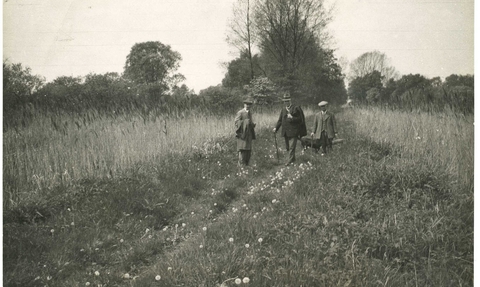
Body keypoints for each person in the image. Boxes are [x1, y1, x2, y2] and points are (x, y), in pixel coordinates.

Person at [273, 92, 307, 166]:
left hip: (294, 131)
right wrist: (276, 128)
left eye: (287, 101)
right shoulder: (283, 110)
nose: (286, 102)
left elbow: (300, 119)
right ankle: (293, 159)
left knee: (292, 147)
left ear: (290, 100)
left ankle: (289, 161)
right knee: (288, 147)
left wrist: (292, 118)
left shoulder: (296, 108)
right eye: (285, 101)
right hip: (286, 131)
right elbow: (280, 120)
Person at [235, 96, 256, 166]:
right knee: (242, 150)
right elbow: (236, 122)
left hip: (249, 135)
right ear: (244, 104)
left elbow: (250, 122)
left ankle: (246, 166)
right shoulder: (240, 112)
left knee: (248, 150)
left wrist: (252, 124)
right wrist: (245, 122)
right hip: (242, 135)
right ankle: (241, 167)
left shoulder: (250, 113)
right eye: (247, 104)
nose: (248, 106)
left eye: (249, 104)